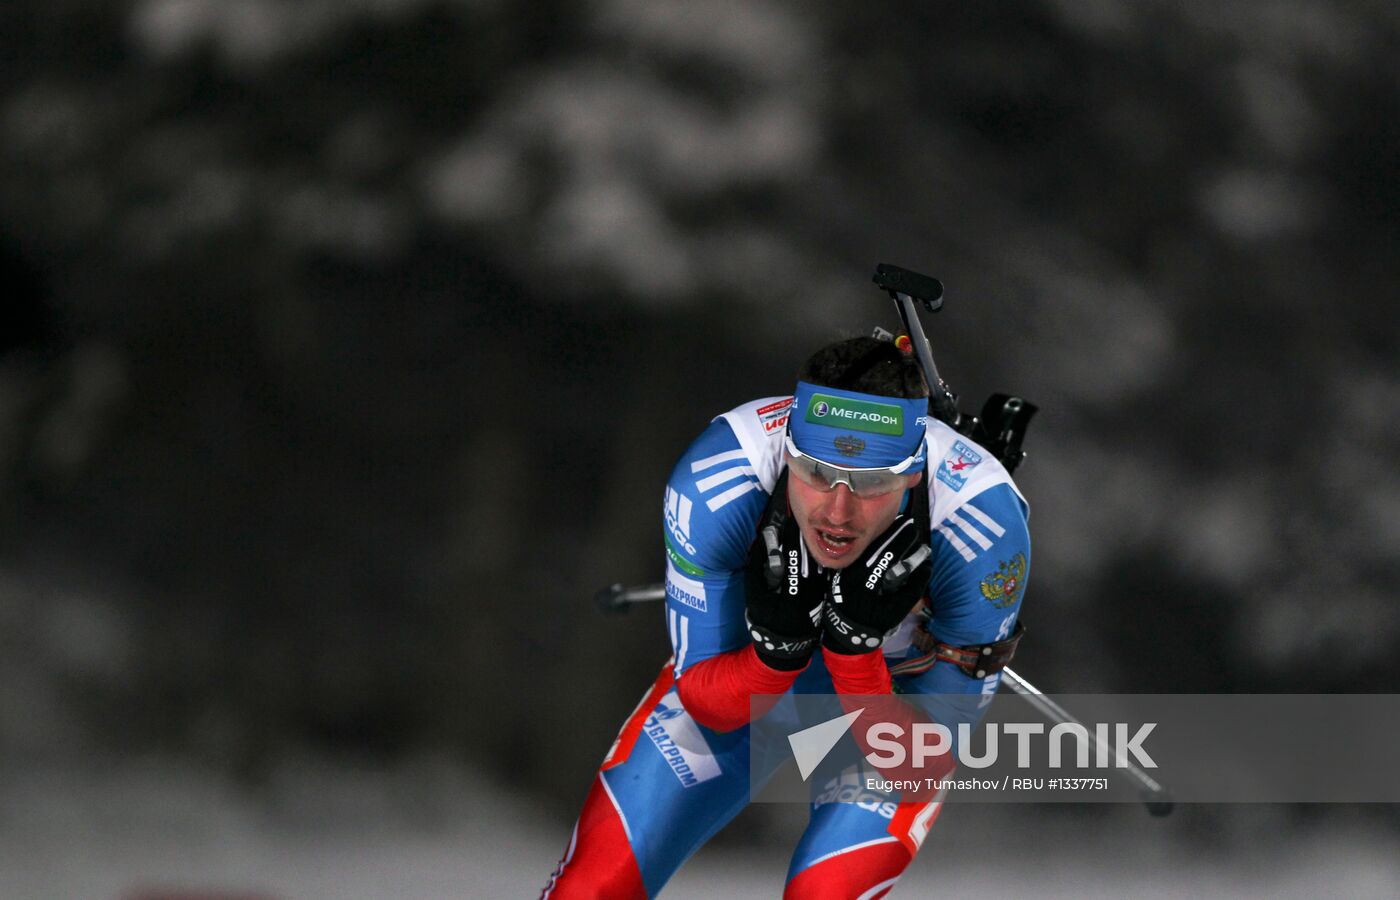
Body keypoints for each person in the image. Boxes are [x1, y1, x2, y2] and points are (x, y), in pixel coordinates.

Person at [542, 335, 1030, 899]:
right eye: (816, 472)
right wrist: (777, 654)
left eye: (872, 482)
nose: (837, 512)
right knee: (591, 890)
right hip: (746, 675)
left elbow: (920, 764)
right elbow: (705, 701)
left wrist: (852, 655)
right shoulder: (720, 476)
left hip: (893, 701)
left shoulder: (983, 525)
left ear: (914, 473)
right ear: (787, 451)